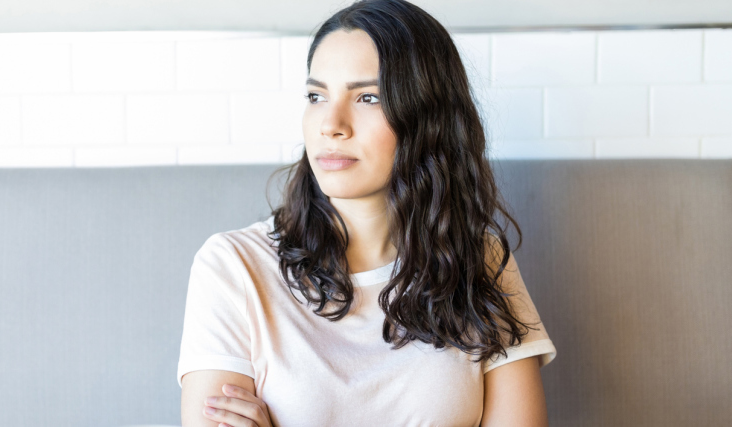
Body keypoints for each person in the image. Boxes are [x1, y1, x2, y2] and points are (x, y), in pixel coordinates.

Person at [177, 1, 556, 425]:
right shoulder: (234, 267)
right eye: (316, 96)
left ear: (426, 117)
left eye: (368, 97)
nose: (331, 124)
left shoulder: (478, 258)